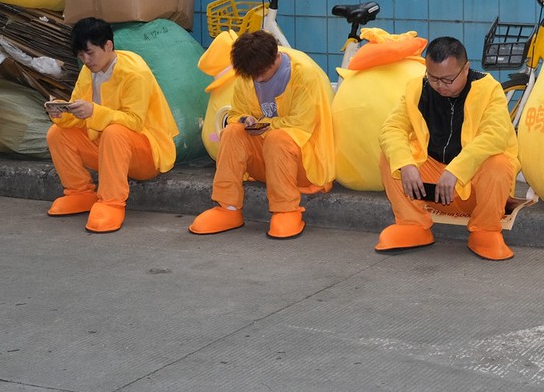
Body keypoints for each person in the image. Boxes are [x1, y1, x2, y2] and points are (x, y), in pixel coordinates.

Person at [374, 36, 520, 261]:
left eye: (448, 79)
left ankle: (485, 230)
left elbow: (495, 136)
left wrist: (456, 170)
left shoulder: (489, 90)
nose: (440, 86)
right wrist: (406, 164)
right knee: (391, 157)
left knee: (498, 164)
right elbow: (391, 128)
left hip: (469, 188)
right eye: (433, 78)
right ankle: (412, 224)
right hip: (431, 186)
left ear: (466, 69)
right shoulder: (417, 89)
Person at [188, 30, 334, 240]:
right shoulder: (248, 73)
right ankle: (227, 207)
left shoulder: (304, 74)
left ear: (275, 57)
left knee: (277, 137)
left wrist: (263, 125)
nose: (257, 78)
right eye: (252, 74)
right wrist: (244, 119)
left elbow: (301, 124)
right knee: (232, 132)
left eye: (262, 73)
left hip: (304, 164)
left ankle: (286, 210)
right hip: (267, 162)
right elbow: (236, 113)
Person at [44, 17, 177, 234]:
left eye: (90, 53)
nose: (86, 60)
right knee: (57, 133)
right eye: (80, 55)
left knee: (114, 132)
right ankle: (79, 192)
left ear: (108, 45)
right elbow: (82, 113)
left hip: (146, 153)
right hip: (107, 148)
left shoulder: (134, 72)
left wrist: (94, 112)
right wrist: (62, 112)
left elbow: (134, 121)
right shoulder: (88, 71)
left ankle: (111, 203)